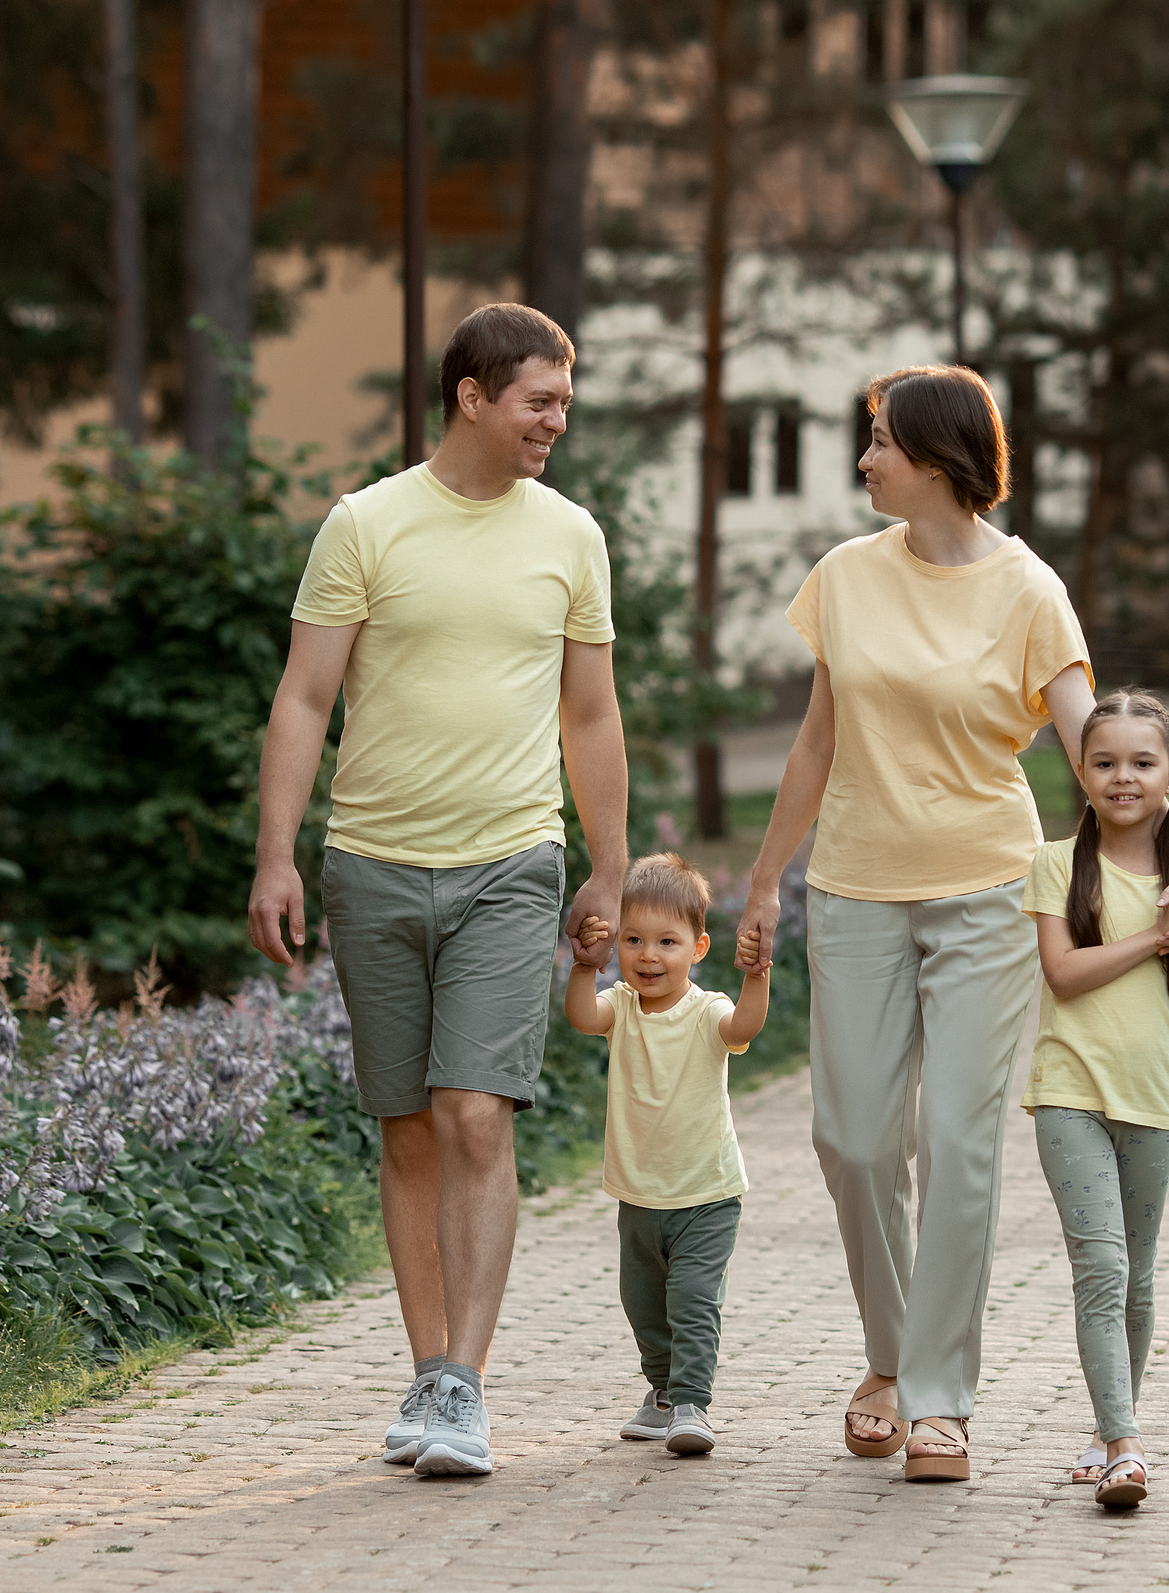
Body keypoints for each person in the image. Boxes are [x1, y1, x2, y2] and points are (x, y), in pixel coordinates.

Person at [733, 365, 1169, 1484]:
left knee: (955, 1141)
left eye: (878, 442)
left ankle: (936, 1399)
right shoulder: (844, 577)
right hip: (853, 887)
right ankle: (890, 1357)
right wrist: (763, 881)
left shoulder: (1030, 593)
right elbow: (814, 743)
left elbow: (1105, 761)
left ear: (937, 459)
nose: (862, 460)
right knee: (852, 1141)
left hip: (987, 893)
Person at [247, 303, 628, 1479]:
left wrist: (609, 861)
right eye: (539, 402)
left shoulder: (570, 536)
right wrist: (275, 852)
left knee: (474, 1113)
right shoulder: (366, 525)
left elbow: (591, 712)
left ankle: (462, 1382)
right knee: (407, 1127)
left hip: (511, 863)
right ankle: (425, 1370)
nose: (556, 422)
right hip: (370, 861)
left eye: (563, 403)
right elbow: (306, 696)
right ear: (471, 395)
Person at [1023, 689, 1169, 1510]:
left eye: (1142, 763)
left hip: (1154, 1099)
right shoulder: (1054, 864)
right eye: (1104, 762)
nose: (1122, 777)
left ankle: (1110, 1426)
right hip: (1069, 1092)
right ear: (1080, 770)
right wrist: (1155, 937)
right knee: (1101, 1266)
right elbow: (1064, 973)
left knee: (1137, 1276)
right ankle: (1126, 1445)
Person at [564, 854, 771, 1459]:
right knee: (643, 1303)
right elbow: (582, 1017)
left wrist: (756, 977)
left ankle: (690, 1404)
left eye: (666, 942)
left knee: (691, 1301)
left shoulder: (707, 1012)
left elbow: (742, 1028)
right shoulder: (621, 1006)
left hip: (706, 1194)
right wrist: (584, 966)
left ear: (699, 947)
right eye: (632, 941)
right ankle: (660, 1394)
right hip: (640, 1193)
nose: (648, 956)